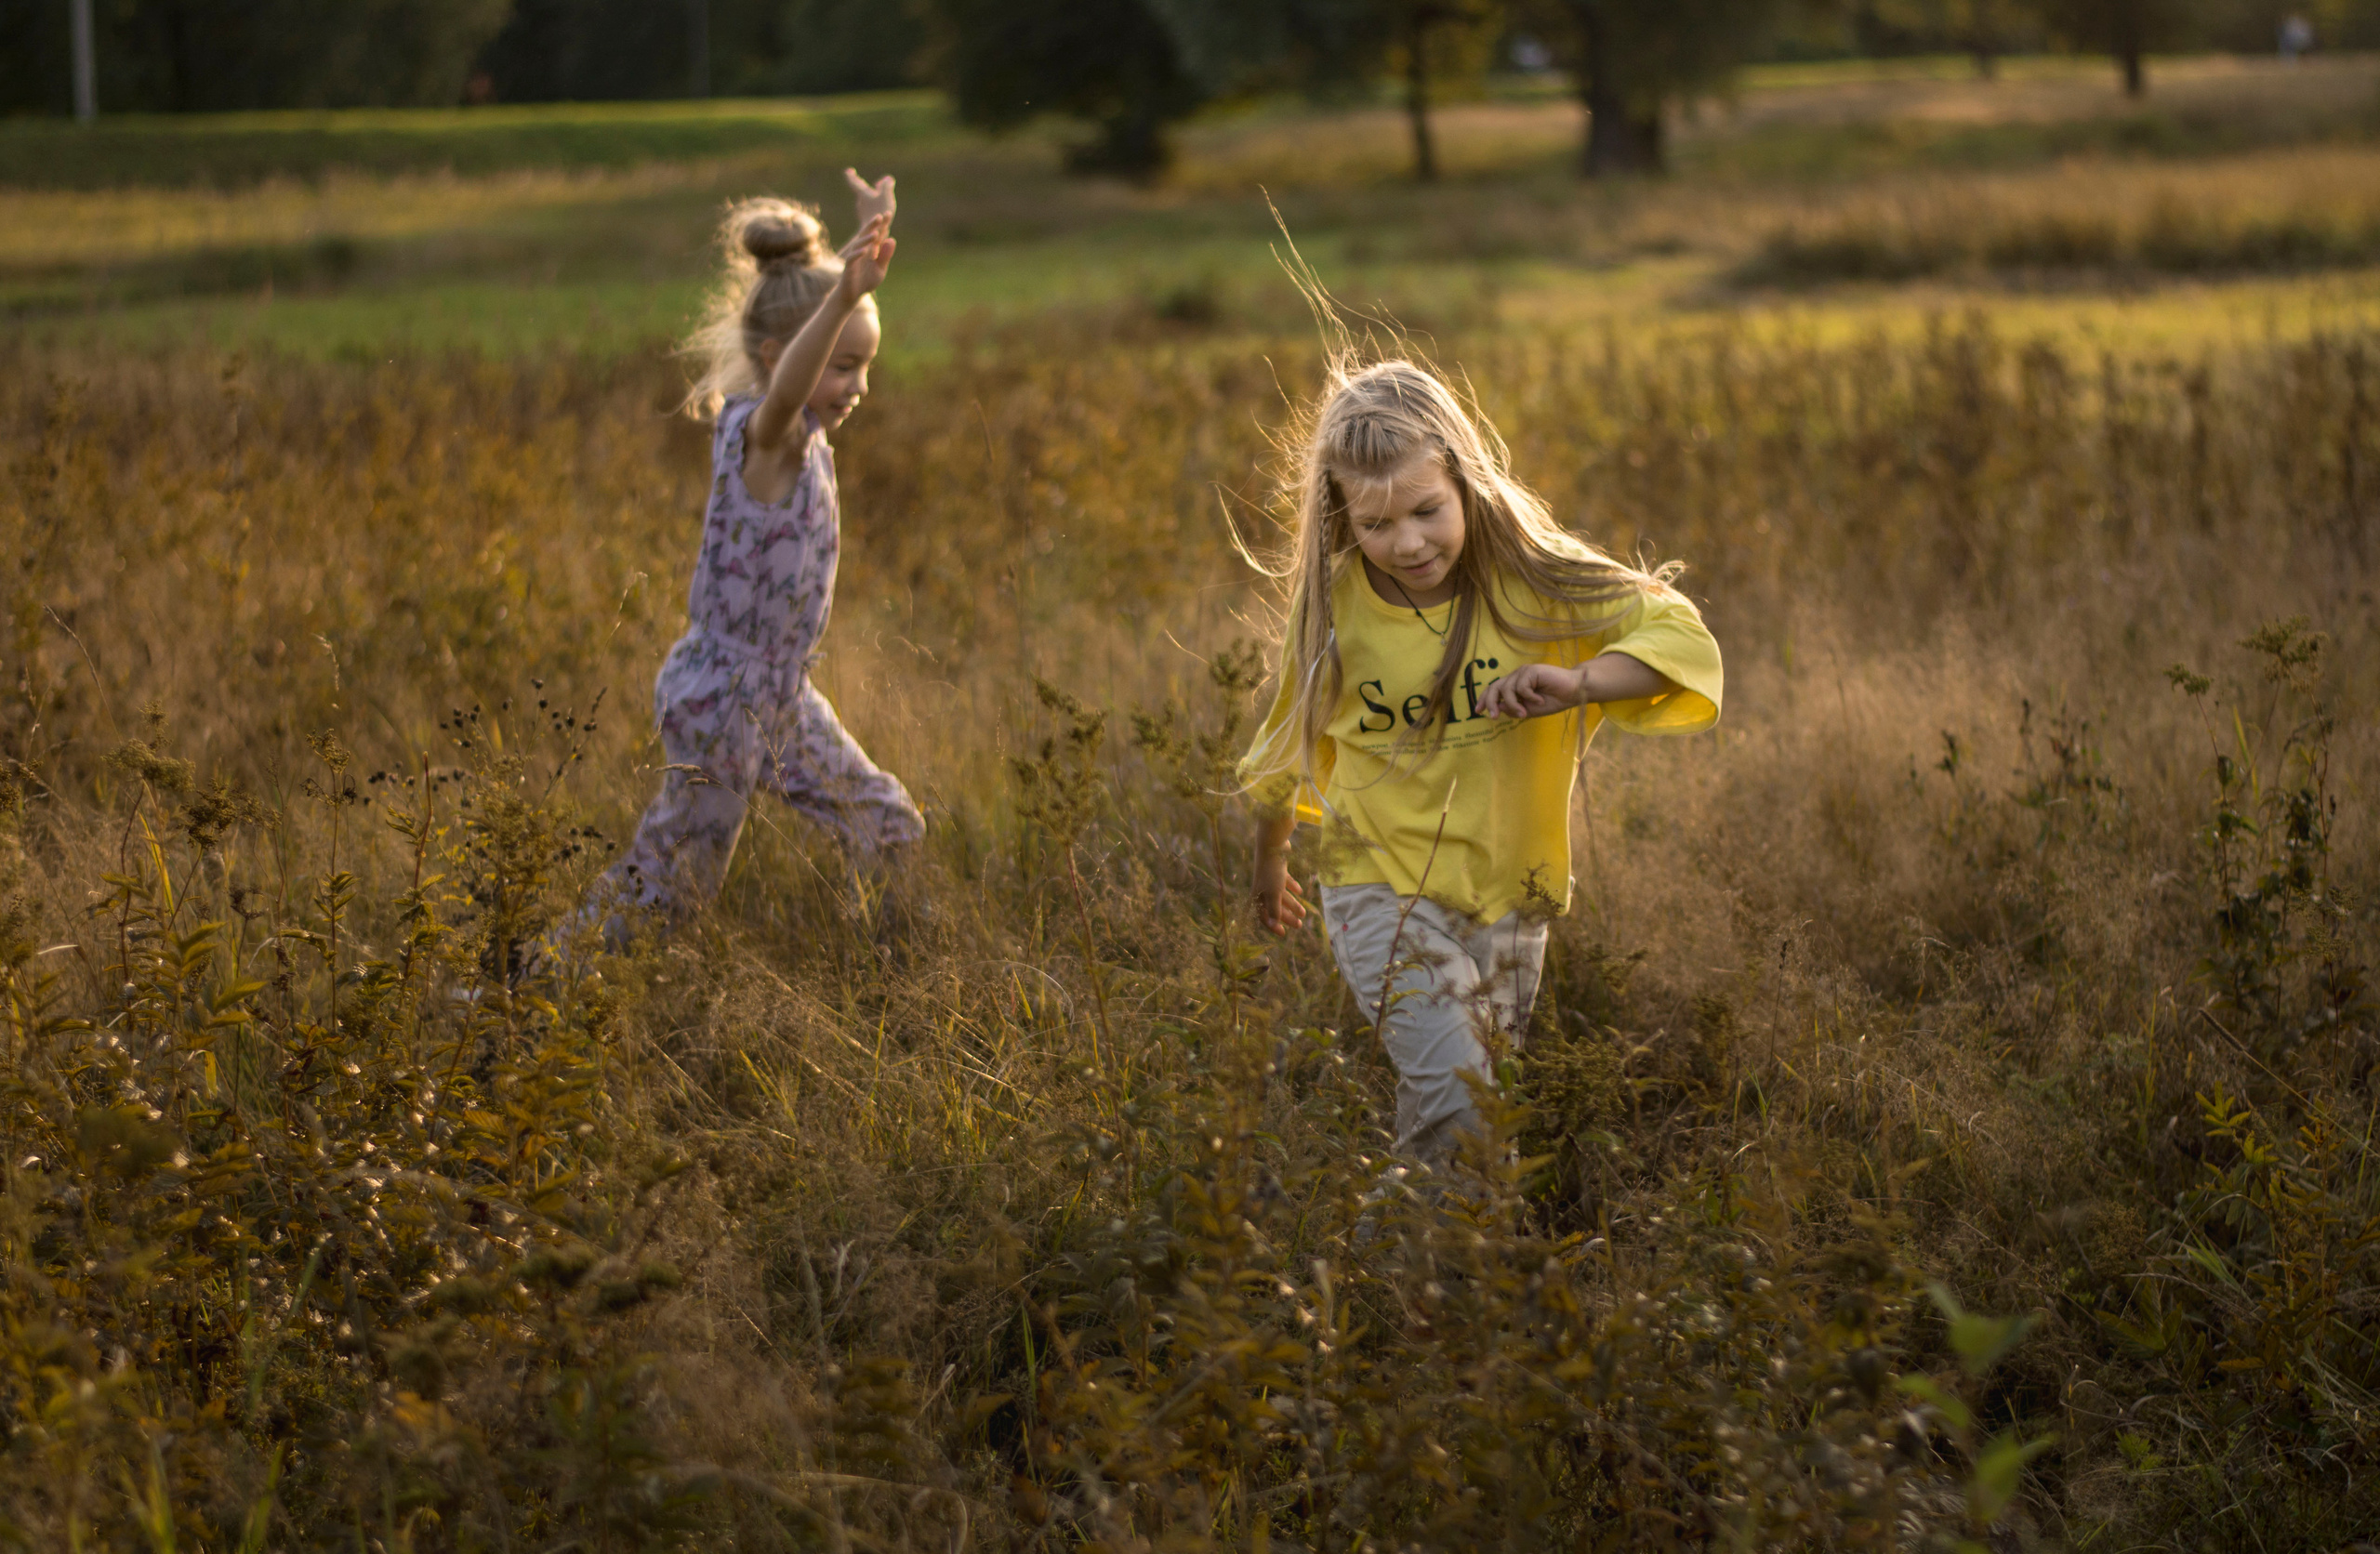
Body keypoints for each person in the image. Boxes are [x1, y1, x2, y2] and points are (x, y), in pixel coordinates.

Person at [1241, 358, 1722, 1170]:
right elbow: (1284, 743)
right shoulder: (1335, 605)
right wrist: (1271, 860)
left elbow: (1678, 637)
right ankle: (1391, 1278)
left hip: (1507, 892)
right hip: (1377, 887)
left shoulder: (1532, 579)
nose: (1407, 542)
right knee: (1463, 1108)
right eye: (1377, 524)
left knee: (1469, 1121)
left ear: (1465, 481)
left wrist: (1578, 681)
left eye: (1427, 510)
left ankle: (1418, 1284)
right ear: (1343, 517)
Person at [586, 172, 923, 945]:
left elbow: (807, 375)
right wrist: (841, 298)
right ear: (780, 356)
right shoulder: (765, 436)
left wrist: (854, 270)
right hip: (722, 696)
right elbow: (787, 397)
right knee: (670, 890)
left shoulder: (807, 443)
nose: (857, 385)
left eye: (865, 365)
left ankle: (888, 970)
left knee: (890, 826)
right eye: (842, 365)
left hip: (781, 699)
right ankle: (526, 989)